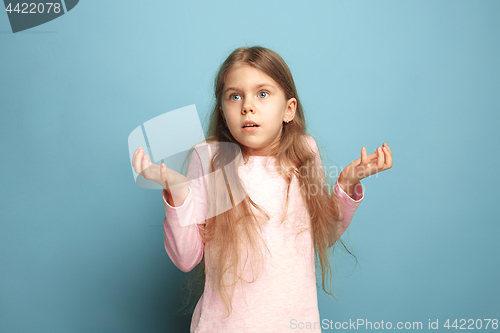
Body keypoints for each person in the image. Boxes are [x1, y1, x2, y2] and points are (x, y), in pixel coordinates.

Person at [131, 46, 393, 332]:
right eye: (235, 96)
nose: (247, 106)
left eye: (263, 94)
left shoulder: (305, 153)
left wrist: (346, 185)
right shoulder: (210, 158)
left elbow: (321, 235)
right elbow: (186, 259)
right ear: (222, 110)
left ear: (288, 109)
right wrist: (179, 194)